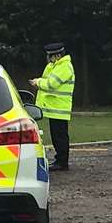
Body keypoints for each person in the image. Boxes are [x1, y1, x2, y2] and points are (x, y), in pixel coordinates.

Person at [31, 42, 75, 171]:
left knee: (60, 136)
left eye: (50, 56)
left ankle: (62, 162)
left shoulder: (64, 66)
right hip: (56, 108)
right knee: (57, 135)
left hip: (59, 108)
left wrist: (37, 82)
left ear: (56, 55)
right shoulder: (56, 66)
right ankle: (60, 160)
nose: (48, 58)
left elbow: (51, 84)